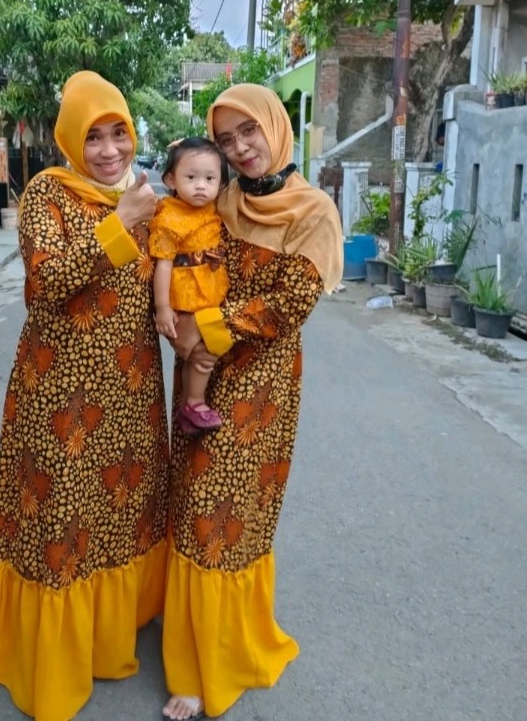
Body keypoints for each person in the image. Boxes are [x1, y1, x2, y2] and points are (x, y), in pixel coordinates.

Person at [0, 71, 170, 721]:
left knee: (119, 506)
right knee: (59, 516)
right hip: (59, 390)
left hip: (131, 386)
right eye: (94, 137)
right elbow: (49, 282)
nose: (109, 150)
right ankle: (52, 662)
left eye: (119, 134)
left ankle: (111, 633)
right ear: (70, 140)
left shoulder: (145, 195)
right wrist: (123, 222)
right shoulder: (49, 192)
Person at [161, 83, 344, 721]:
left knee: (226, 514)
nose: (240, 148)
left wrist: (203, 329)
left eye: (250, 132)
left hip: (260, 386)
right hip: (198, 374)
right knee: (189, 500)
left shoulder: (312, 210)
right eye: (227, 137)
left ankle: (217, 660)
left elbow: (288, 305)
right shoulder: (222, 198)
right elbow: (178, 254)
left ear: (277, 127)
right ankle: (187, 652)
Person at [149, 137, 230, 436]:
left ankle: (191, 403)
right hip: (184, 296)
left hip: (209, 292)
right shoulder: (170, 217)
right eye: (191, 177)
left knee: (213, 347)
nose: (200, 186)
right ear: (171, 179)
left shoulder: (213, 210)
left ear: (221, 184)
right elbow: (164, 264)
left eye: (209, 179)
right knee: (199, 350)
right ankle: (193, 404)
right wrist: (162, 307)